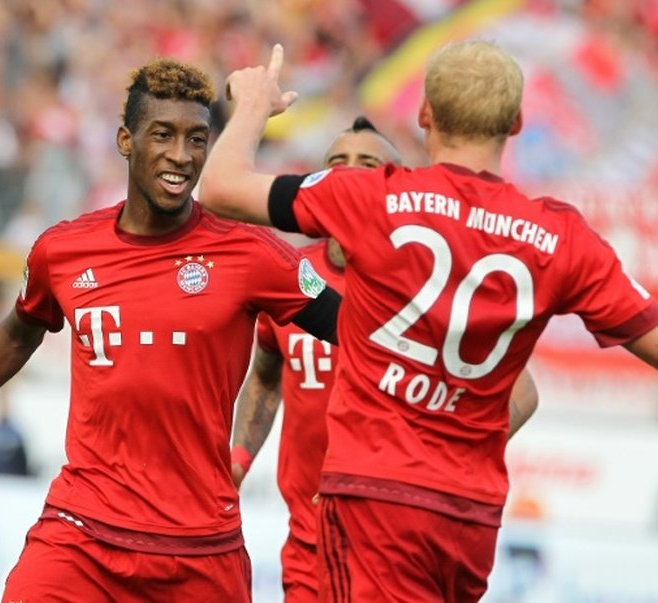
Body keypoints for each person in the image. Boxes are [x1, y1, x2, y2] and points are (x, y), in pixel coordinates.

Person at [198, 42, 658, 601]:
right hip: (469, 515)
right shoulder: (559, 235)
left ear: (425, 116)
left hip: (371, 497)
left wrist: (253, 105)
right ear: (516, 123)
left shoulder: (372, 197)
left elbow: (221, 186)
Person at [0, 57, 341, 602]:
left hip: (201, 551)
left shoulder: (252, 254)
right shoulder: (65, 249)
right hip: (81, 536)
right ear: (126, 140)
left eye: (197, 139)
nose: (181, 155)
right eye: (162, 135)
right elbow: (17, 333)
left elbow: (364, 332)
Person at [230, 116, 539, 602]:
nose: (349, 172)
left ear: (396, 184)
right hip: (309, 542)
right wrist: (238, 461)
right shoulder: (288, 273)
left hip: (395, 540)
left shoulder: (426, 282)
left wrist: (437, 462)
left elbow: (521, 394)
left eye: (367, 163)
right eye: (336, 162)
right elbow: (266, 379)